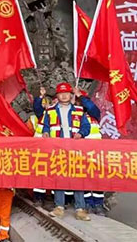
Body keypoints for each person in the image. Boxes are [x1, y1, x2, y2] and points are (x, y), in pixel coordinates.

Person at [40, 82, 91, 221]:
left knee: (77, 178)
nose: (64, 95)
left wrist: (81, 133)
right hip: (58, 148)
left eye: (66, 93)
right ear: (57, 95)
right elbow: (45, 126)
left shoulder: (79, 111)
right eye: (61, 93)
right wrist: (45, 133)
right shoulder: (50, 110)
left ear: (71, 94)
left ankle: (80, 209)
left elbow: (86, 127)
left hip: (75, 149)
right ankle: (59, 207)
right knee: (59, 177)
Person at [74, 89, 105, 216]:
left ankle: (98, 203)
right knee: (84, 177)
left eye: (80, 101)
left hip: (96, 151)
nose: (79, 103)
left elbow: (91, 107)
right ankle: (87, 203)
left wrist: (81, 96)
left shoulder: (94, 114)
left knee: (98, 177)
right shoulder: (74, 116)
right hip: (81, 150)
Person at [30, 86, 51, 207]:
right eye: (44, 103)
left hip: (54, 148)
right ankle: (38, 197)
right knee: (39, 173)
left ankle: (54, 198)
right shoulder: (41, 115)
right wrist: (40, 96)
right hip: (40, 148)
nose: (46, 105)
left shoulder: (57, 113)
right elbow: (37, 107)